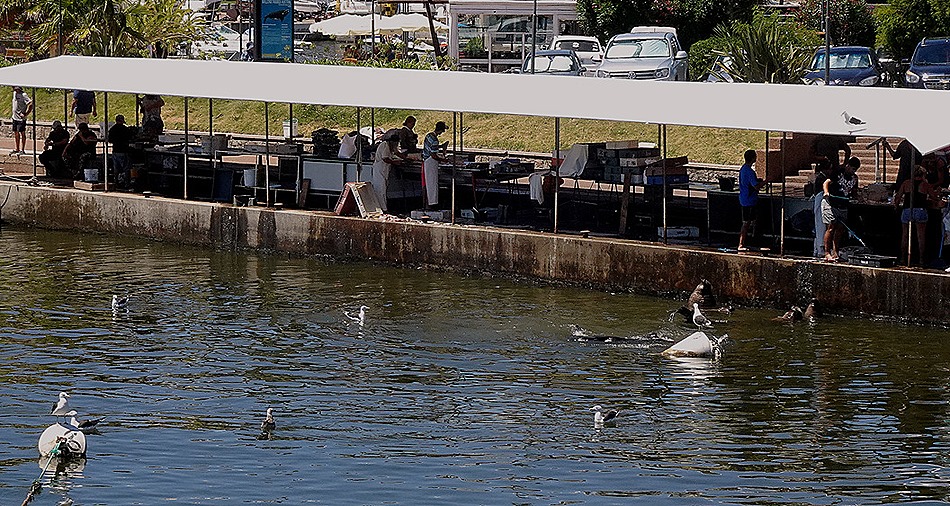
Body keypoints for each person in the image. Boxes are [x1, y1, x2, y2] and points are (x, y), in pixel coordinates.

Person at [894, 166, 935, 266]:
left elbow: (898, 197)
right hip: (920, 210)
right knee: (921, 236)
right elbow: (934, 197)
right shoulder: (925, 185)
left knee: (905, 235)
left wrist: (896, 206)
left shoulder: (906, 183)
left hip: (907, 210)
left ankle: (903, 258)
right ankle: (921, 259)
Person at [738, 149, 765, 252]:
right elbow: (756, 186)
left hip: (746, 199)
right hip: (748, 200)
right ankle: (741, 244)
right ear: (754, 158)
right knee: (746, 222)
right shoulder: (750, 172)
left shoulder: (743, 169)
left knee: (751, 221)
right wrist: (767, 180)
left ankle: (751, 241)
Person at [821, 165, 848, 262]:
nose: (853, 171)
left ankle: (835, 252)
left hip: (843, 205)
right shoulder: (838, 174)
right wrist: (826, 192)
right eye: (852, 168)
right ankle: (827, 253)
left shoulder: (854, 178)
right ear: (848, 166)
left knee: (840, 229)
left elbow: (853, 191)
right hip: (830, 204)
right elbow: (826, 182)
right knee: (831, 227)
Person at [372, 132, 402, 212]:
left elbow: (397, 152)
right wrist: (394, 162)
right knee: (380, 190)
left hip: (384, 170)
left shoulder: (391, 146)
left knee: (384, 189)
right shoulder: (385, 145)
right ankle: (383, 209)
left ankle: (384, 208)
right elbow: (385, 158)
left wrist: (406, 158)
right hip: (379, 170)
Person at [421, 121, 448, 208]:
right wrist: (443, 160)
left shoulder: (428, 136)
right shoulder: (435, 140)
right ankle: (432, 203)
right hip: (431, 162)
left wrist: (441, 147)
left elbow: (431, 148)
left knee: (428, 183)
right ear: (441, 130)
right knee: (432, 183)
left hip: (426, 160)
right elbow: (433, 155)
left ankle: (429, 203)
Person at [812, 158, 831, 258]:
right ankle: (820, 249)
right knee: (820, 226)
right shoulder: (821, 178)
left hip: (823, 202)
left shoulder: (822, 177)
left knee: (822, 226)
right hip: (820, 201)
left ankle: (818, 249)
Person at [108, 114, 133, 188]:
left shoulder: (112, 129)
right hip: (124, 150)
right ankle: (127, 183)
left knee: (116, 168)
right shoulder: (125, 129)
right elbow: (130, 138)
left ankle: (116, 182)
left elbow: (110, 140)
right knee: (126, 168)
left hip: (115, 150)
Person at [10, 85, 33, 155]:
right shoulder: (14, 93)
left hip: (21, 119)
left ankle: (22, 149)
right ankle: (17, 148)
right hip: (15, 117)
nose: (15, 90)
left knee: (22, 133)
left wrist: (26, 113)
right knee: (16, 132)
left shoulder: (24, 95)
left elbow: (31, 104)